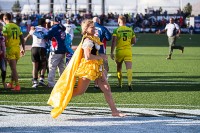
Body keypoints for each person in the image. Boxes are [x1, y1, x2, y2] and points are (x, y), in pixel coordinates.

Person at [47, 19, 125, 118]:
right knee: (80, 91)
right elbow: (88, 56)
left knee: (106, 88)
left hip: (96, 67)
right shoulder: (88, 40)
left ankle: (114, 111)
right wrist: (101, 57)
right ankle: (59, 100)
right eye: (92, 27)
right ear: (86, 29)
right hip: (88, 68)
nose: (94, 28)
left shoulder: (92, 38)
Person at [33, 16, 73, 88]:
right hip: (62, 50)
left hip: (55, 50)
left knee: (52, 67)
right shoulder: (62, 28)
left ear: (54, 21)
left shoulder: (54, 28)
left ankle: (51, 84)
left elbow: (45, 36)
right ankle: (64, 82)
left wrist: (35, 33)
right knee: (61, 67)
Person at [110, 15, 136, 91]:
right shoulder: (130, 30)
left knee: (119, 68)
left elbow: (114, 41)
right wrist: (129, 43)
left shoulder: (116, 30)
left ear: (119, 21)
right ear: (125, 21)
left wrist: (111, 52)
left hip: (119, 51)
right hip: (128, 51)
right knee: (129, 68)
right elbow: (134, 41)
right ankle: (129, 83)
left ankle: (120, 84)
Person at [2, 13, 25, 91]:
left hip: (10, 49)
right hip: (17, 49)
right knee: (13, 68)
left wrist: (3, 49)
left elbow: (4, 39)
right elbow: (22, 38)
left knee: (13, 69)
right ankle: (11, 83)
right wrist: (23, 48)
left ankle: (17, 85)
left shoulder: (5, 27)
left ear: (5, 18)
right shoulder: (17, 26)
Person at [24, 18, 48, 88]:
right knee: (44, 64)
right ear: (44, 23)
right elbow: (47, 38)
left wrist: (25, 40)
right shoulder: (45, 30)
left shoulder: (33, 29)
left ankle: (35, 81)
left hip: (34, 48)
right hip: (42, 48)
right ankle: (41, 79)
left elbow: (27, 37)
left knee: (35, 66)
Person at [92, 16, 112, 89]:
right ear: (99, 22)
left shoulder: (89, 28)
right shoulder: (103, 28)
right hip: (101, 52)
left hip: (92, 52)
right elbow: (109, 38)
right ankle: (104, 84)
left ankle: (96, 85)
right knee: (104, 68)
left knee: (95, 68)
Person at [0, 24, 7, 89]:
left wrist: (4, 54)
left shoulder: (2, 36)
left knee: (4, 70)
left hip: (1, 56)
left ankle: (3, 82)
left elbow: (3, 46)